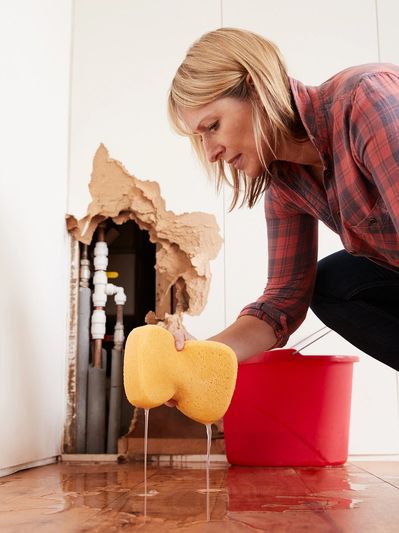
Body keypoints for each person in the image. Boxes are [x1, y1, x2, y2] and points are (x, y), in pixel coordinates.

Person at [167, 27, 399, 372]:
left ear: (255, 88)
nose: (211, 153)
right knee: (333, 284)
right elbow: (282, 304)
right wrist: (196, 362)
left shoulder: (365, 101)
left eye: (212, 126)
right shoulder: (286, 186)